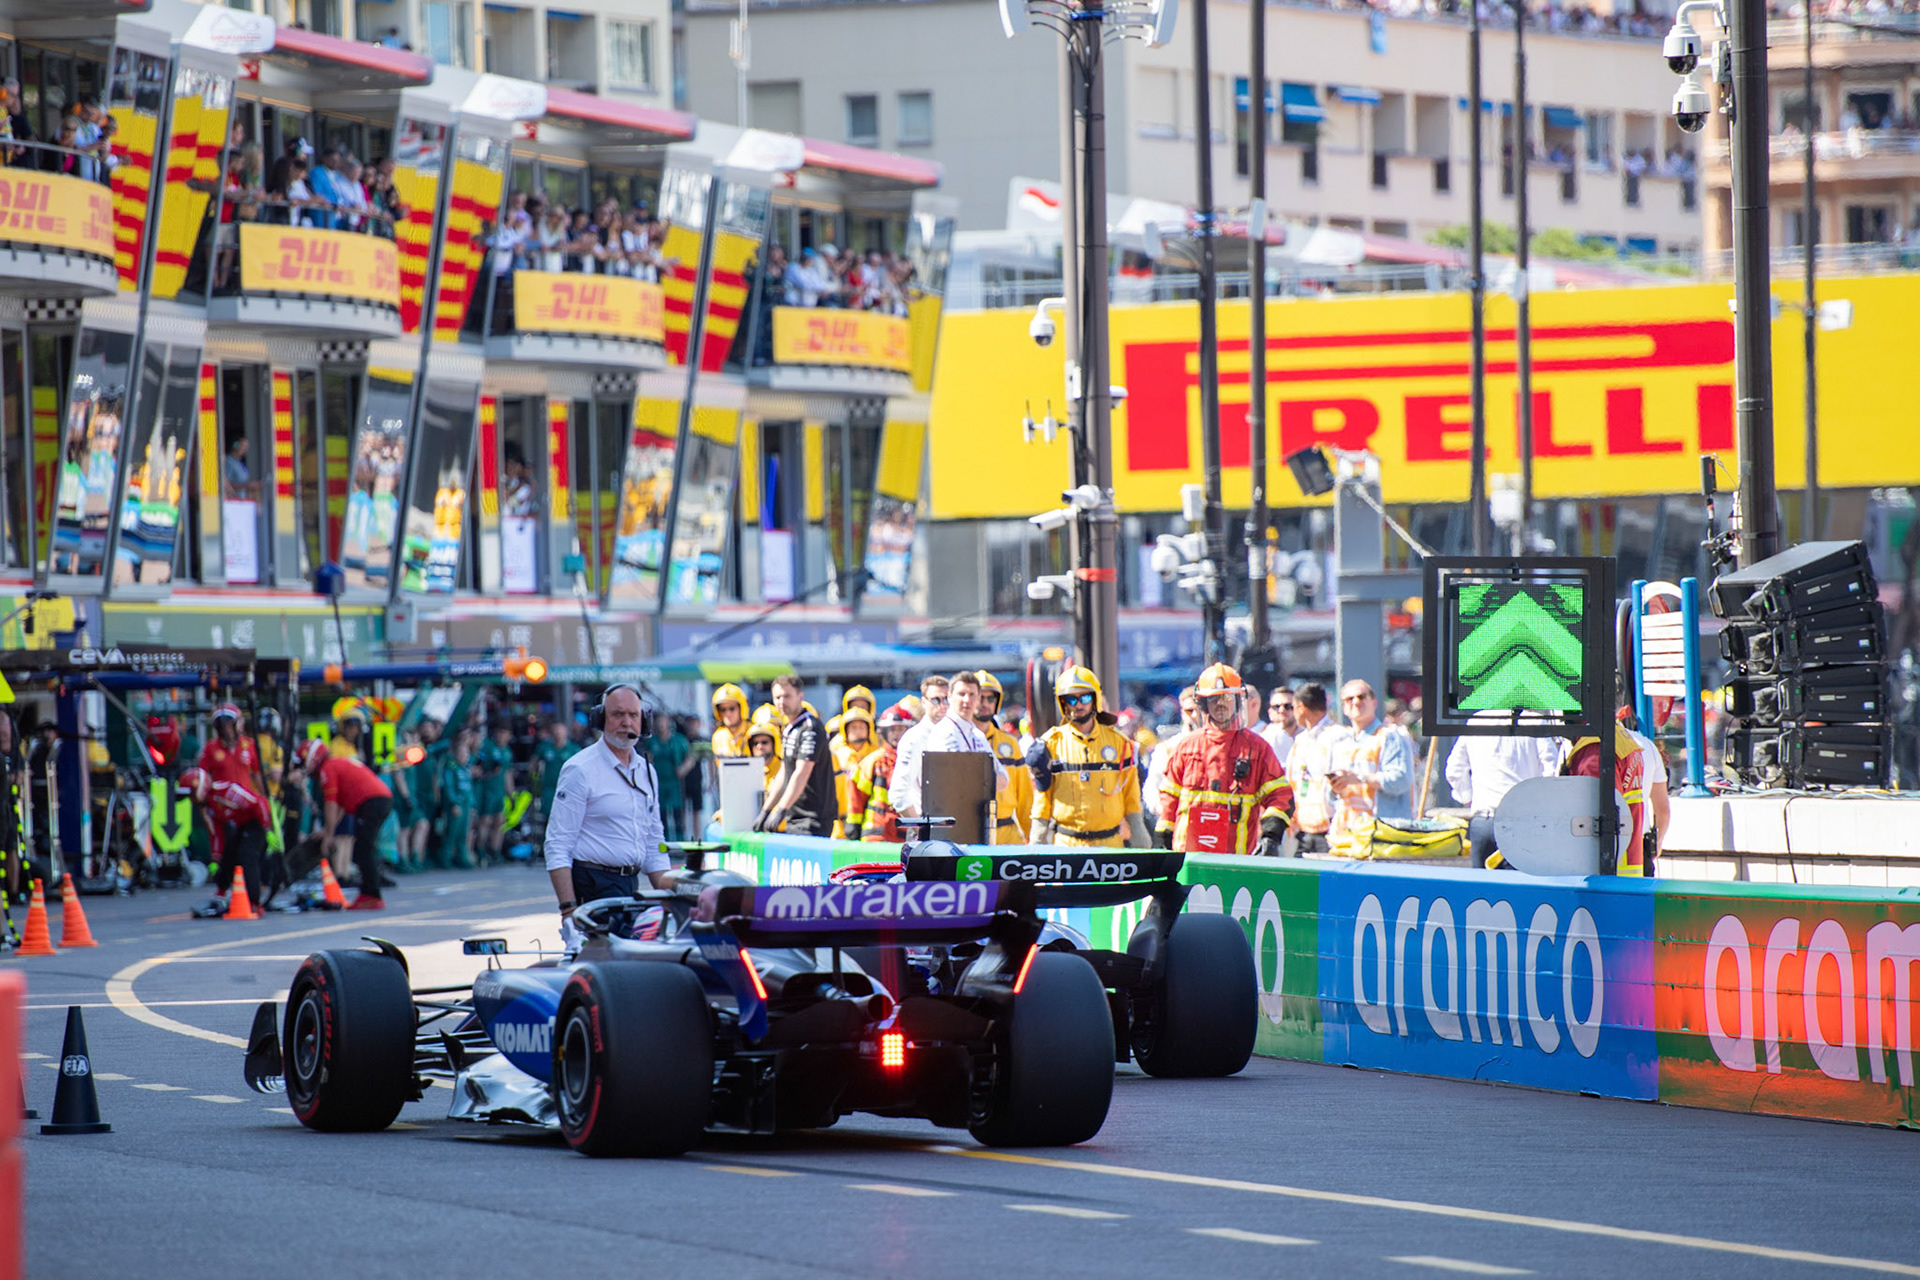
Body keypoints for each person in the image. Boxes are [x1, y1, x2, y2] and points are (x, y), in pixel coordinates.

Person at [544, 685, 672, 947]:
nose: (626, 722)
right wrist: (569, 913)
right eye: (617, 714)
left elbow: (653, 843)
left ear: (643, 720)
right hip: (591, 888)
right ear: (601, 719)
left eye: (633, 715)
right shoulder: (580, 769)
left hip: (629, 888)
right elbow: (558, 844)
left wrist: (671, 902)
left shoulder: (647, 771)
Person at [1157, 664, 1290, 856]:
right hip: (1188, 857)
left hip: (1236, 859)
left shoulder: (1257, 749)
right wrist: (1162, 839)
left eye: (1227, 698)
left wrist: (1271, 836)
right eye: (1214, 699)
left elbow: (1280, 796)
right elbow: (1169, 798)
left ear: (1237, 701)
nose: (1220, 704)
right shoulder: (1186, 747)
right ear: (1203, 704)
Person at [1026, 666, 1149, 848]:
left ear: (1095, 700)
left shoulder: (1120, 744)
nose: (1078, 705)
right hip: (1066, 845)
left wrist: (1140, 835)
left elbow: (1131, 795)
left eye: (1084, 698)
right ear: (1063, 703)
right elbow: (1042, 798)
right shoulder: (1050, 744)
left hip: (1110, 845)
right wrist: (1037, 839)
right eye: (1071, 699)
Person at [1445, 726, 1563, 869]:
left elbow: (1454, 770)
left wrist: (1468, 798)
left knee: (1482, 888)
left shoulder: (1476, 722)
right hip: (1522, 821)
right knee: (1518, 887)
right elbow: (1553, 769)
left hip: (1484, 820)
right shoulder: (1534, 722)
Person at [904, 671, 1008, 827]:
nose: (967, 700)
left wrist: (972, 774)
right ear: (950, 697)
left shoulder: (978, 736)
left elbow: (1004, 781)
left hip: (977, 823)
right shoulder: (942, 732)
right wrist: (984, 774)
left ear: (978, 699)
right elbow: (955, 782)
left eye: (972, 695)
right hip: (946, 824)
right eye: (962, 694)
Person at [1327, 679, 1417, 853]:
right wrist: (1335, 787)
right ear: (1344, 708)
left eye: (1361, 697)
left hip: (1382, 839)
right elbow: (1330, 797)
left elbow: (1401, 780)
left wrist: (1360, 779)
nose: (1356, 702)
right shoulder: (1339, 742)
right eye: (1349, 699)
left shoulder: (1390, 736)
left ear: (1374, 702)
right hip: (1347, 838)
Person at [301, 739, 393, 909]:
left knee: (363, 848)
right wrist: (328, 831)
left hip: (371, 802)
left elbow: (331, 804)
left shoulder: (328, 768)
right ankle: (369, 892)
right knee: (364, 847)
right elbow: (341, 806)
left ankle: (371, 894)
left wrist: (329, 836)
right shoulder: (337, 762)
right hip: (378, 799)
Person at [1561, 720, 1651, 877]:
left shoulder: (1595, 750)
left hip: (1606, 872)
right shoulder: (1619, 739)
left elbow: (1596, 813)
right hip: (1626, 868)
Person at [182, 764, 272, 917]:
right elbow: (217, 834)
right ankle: (221, 893)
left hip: (258, 822)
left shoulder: (227, 792)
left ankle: (255, 903)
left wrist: (268, 830)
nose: (191, 800)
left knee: (246, 855)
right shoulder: (209, 806)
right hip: (242, 825)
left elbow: (258, 803)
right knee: (229, 853)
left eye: (191, 795)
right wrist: (216, 858)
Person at [753, 675, 838, 837]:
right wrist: (766, 810)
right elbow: (785, 771)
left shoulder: (810, 727)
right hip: (794, 816)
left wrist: (781, 809)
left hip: (814, 818)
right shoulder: (790, 728)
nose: (782, 702)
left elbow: (802, 772)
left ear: (800, 697)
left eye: (787, 696)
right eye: (777, 697)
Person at [974, 671, 1032, 843]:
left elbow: (1025, 796)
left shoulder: (1010, 743)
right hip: (970, 833)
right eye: (979, 698)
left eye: (990, 699)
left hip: (1008, 834)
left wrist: (1032, 837)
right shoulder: (959, 739)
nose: (985, 704)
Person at [1285, 683, 1342, 855]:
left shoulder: (1337, 736)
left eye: (1293, 707)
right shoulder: (1300, 740)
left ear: (1301, 707)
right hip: (1302, 829)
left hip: (1330, 830)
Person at [847, 702, 913, 843]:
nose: (896, 734)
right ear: (884, 732)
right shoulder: (872, 761)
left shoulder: (916, 760)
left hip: (905, 835)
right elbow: (856, 797)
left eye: (900, 729)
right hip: (875, 834)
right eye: (892, 730)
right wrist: (852, 828)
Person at [888, 674, 951, 819]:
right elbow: (898, 794)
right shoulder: (914, 738)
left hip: (956, 826)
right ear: (924, 702)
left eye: (947, 699)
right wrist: (920, 829)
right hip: (924, 825)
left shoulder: (956, 734)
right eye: (935, 700)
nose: (943, 705)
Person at [1144, 685, 1201, 832]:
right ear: (1182, 713)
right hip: (1176, 826)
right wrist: (1161, 809)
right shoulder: (1168, 748)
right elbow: (1151, 787)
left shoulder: (1218, 745)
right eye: (1190, 711)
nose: (1195, 715)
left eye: (1200, 710)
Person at [829, 707, 876, 838]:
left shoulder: (875, 755)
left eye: (862, 727)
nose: (858, 731)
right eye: (853, 727)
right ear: (845, 730)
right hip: (840, 817)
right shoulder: (837, 754)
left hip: (867, 817)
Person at [473, 718, 515, 863]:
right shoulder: (487, 747)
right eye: (499, 732)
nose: (501, 736)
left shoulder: (507, 752)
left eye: (505, 733)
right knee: (485, 820)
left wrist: (511, 794)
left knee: (499, 820)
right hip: (486, 790)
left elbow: (507, 773)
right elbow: (478, 768)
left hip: (499, 791)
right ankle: (481, 850)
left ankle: (495, 851)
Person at [650, 710, 689, 842]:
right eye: (659, 722)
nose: (661, 725)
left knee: (678, 814)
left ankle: (680, 842)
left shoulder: (678, 740)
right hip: (660, 781)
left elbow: (691, 756)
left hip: (674, 782)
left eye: (663, 722)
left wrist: (684, 768)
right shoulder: (652, 741)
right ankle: (664, 843)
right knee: (662, 815)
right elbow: (649, 758)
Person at [533, 718, 578, 825]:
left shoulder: (573, 749)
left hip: (567, 788)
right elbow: (534, 762)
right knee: (549, 816)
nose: (557, 733)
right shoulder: (545, 747)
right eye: (555, 731)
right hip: (549, 787)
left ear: (565, 733)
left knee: (566, 816)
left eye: (559, 731)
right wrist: (535, 777)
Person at [710, 683, 751, 757]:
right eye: (723, 710)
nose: (727, 713)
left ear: (741, 708)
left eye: (732, 708)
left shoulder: (753, 732)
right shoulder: (718, 736)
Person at [1261, 687, 1297, 768]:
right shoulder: (1263, 740)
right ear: (1270, 712)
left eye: (1288, 706)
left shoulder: (1307, 737)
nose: (1282, 710)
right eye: (1276, 707)